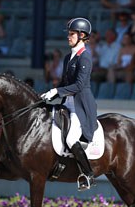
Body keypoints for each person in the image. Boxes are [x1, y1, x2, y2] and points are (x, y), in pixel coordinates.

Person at [41, 18, 98, 191]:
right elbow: (66, 82)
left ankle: (88, 175)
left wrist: (57, 91)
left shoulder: (85, 57)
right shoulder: (68, 58)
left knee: (71, 138)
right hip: (67, 103)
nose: (69, 37)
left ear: (82, 35)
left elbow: (79, 85)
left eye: (72, 34)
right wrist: (52, 93)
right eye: (69, 34)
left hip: (81, 106)